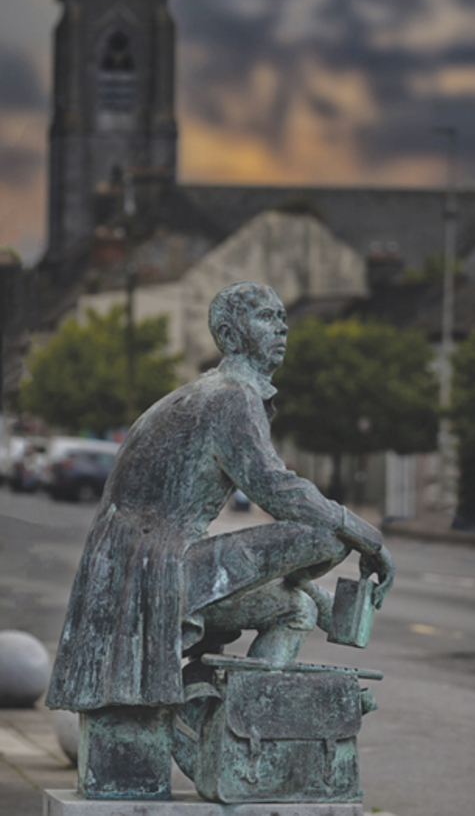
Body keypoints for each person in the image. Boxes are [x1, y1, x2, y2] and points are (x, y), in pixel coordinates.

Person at [46, 281, 394, 713]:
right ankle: (244, 715)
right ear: (229, 335)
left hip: (140, 571)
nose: (282, 328)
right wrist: (369, 538)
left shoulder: (208, 392)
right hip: (156, 573)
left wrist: (317, 583)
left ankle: (236, 723)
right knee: (327, 535)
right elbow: (278, 490)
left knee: (298, 608)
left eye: (283, 318)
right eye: (266, 317)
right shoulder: (231, 396)